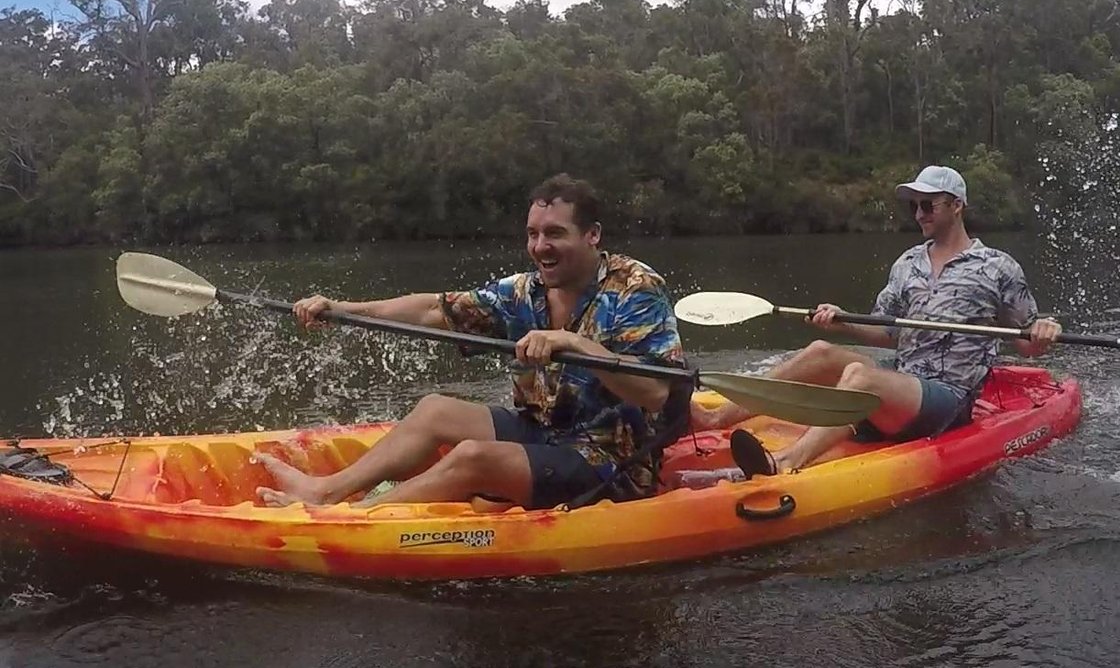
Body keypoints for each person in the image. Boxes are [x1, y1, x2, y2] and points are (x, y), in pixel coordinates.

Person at [255, 174, 690, 510]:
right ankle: (326, 491)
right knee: (435, 410)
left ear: (592, 235)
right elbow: (433, 310)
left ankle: (353, 517)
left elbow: (654, 394)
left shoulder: (637, 288)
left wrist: (576, 345)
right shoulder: (524, 291)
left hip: (613, 462)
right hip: (545, 434)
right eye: (533, 234)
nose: (540, 247)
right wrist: (340, 308)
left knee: (473, 458)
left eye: (555, 233)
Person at [691, 164, 1062, 478]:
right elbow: (887, 333)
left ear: (957, 206)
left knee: (861, 378)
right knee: (822, 351)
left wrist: (1045, 330)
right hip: (904, 380)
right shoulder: (908, 263)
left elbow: (1027, 342)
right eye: (915, 206)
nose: (919, 214)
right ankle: (716, 418)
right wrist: (842, 324)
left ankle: (786, 462)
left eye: (929, 205)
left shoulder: (997, 267)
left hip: (947, 399)